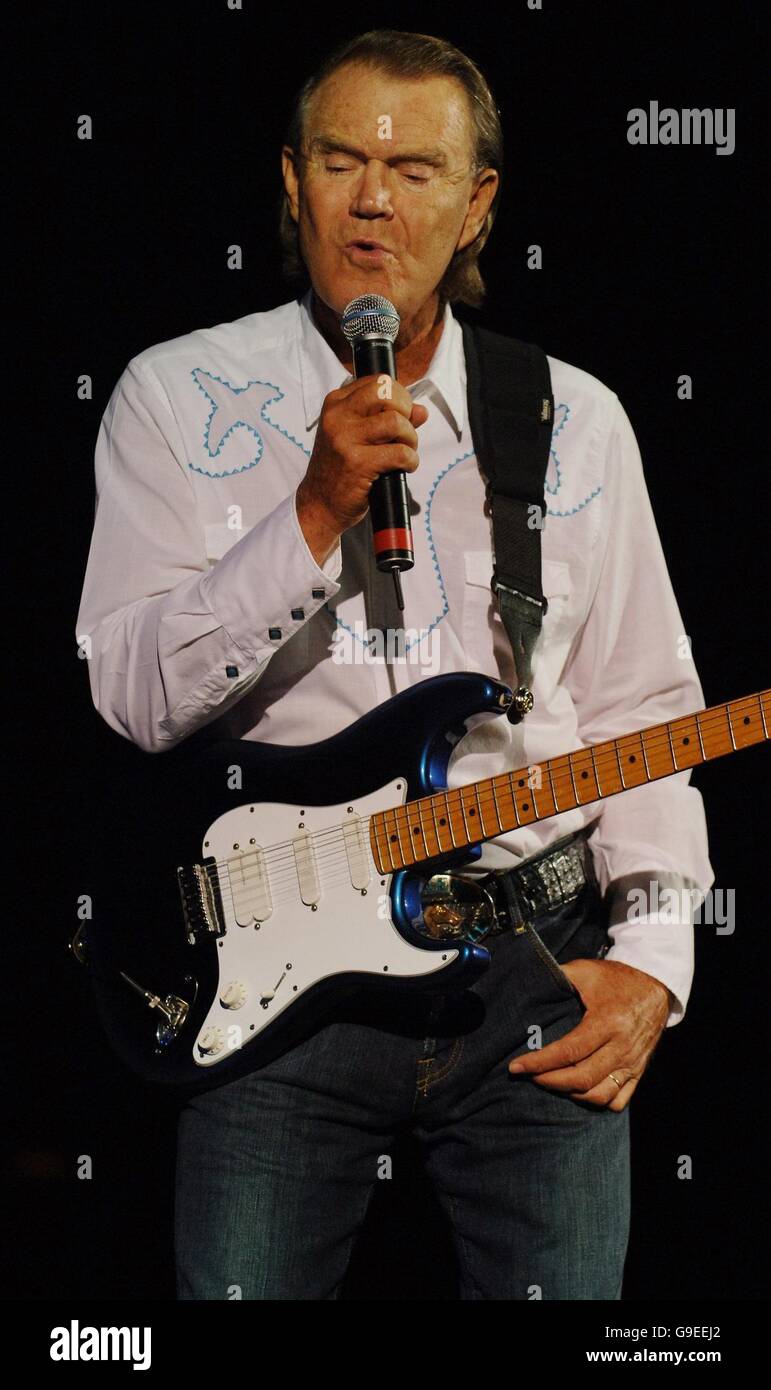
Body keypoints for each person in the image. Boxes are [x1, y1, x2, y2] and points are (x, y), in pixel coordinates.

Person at [75, 29, 713, 1300]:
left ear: (478, 205)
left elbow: (645, 708)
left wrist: (652, 960)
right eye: (340, 159)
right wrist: (311, 510)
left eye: (417, 167)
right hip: (277, 980)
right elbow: (135, 696)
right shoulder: (174, 394)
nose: (374, 197)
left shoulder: (574, 418)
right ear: (293, 181)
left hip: (534, 961)